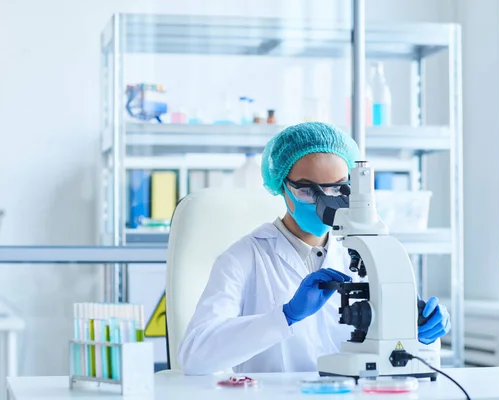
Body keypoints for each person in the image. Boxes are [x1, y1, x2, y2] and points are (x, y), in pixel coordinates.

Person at [178, 122, 450, 375]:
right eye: (308, 190)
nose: (326, 202)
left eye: (338, 189)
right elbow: (194, 356)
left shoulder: (365, 254)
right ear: (282, 187)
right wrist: (285, 316)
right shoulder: (243, 258)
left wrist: (419, 331)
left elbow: (405, 361)